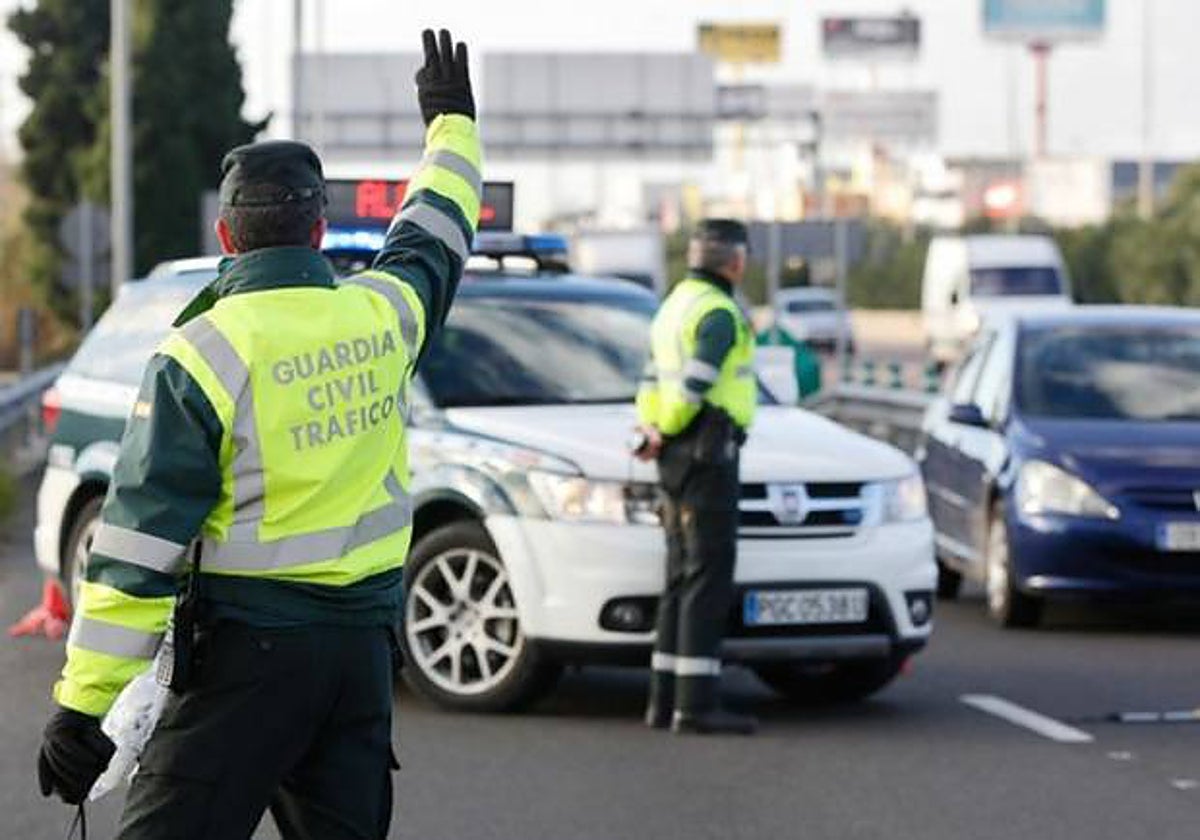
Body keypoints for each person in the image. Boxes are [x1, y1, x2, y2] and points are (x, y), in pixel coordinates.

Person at [36, 29, 480, 839]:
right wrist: (451, 126)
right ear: (319, 232)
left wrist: (83, 705)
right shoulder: (385, 316)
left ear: (226, 237)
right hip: (360, 659)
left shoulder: (201, 353)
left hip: (247, 659)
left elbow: (138, 544)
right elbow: (437, 229)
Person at [635, 219, 758, 735]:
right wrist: (669, 425)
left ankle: (663, 701)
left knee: (679, 578)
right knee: (707, 578)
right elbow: (694, 385)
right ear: (736, 261)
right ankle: (696, 706)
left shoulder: (672, 306)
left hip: (672, 456)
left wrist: (651, 430)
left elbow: (649, 381)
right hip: (707, 453)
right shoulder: (718, 313)